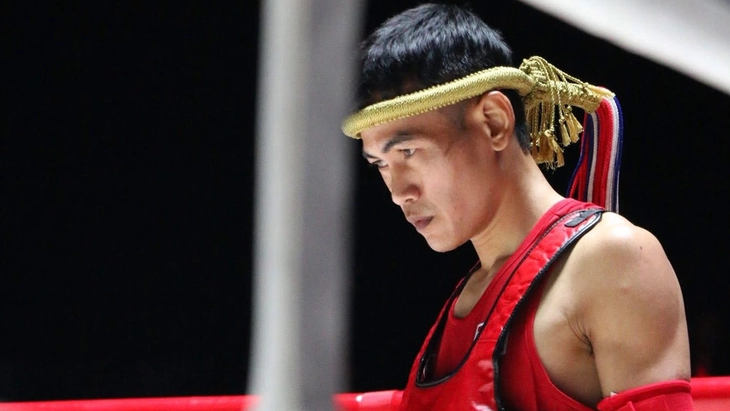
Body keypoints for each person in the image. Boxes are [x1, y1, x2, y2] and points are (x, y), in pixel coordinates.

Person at [341, 3, 693, 411]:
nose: (398, 191)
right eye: (381, 164)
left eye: (409, 151)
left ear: (494, 122)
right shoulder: (467, 299)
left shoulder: (613, 260)